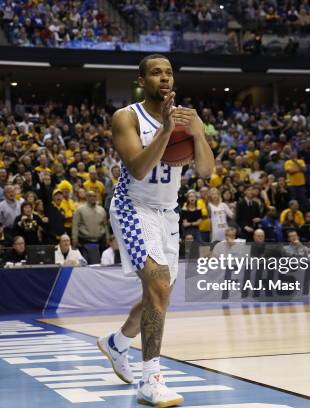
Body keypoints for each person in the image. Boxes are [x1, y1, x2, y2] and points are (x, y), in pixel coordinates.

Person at [97, 54, 214, 407]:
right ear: (141, 80)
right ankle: (151, 379)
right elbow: (137, 168)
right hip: (134, 207)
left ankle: (117, 343)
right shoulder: (126, 117)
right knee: (160, 285)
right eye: (155, 73)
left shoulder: (187, 117)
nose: (164, 79)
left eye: (168, 73)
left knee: (158, 295)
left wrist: (197, 133)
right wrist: (165, 130)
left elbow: (206, 171)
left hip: (167, 213)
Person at [72, 190, 109, 257]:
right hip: (84, 241)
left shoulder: (102, 210)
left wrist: (107, 238)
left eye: (94, 196)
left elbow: (105, 225)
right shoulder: (79, 210)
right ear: (86, 197)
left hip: (100, 241)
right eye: (90, 196)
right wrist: (75, 240)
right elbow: (75, 226)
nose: (92, 197)